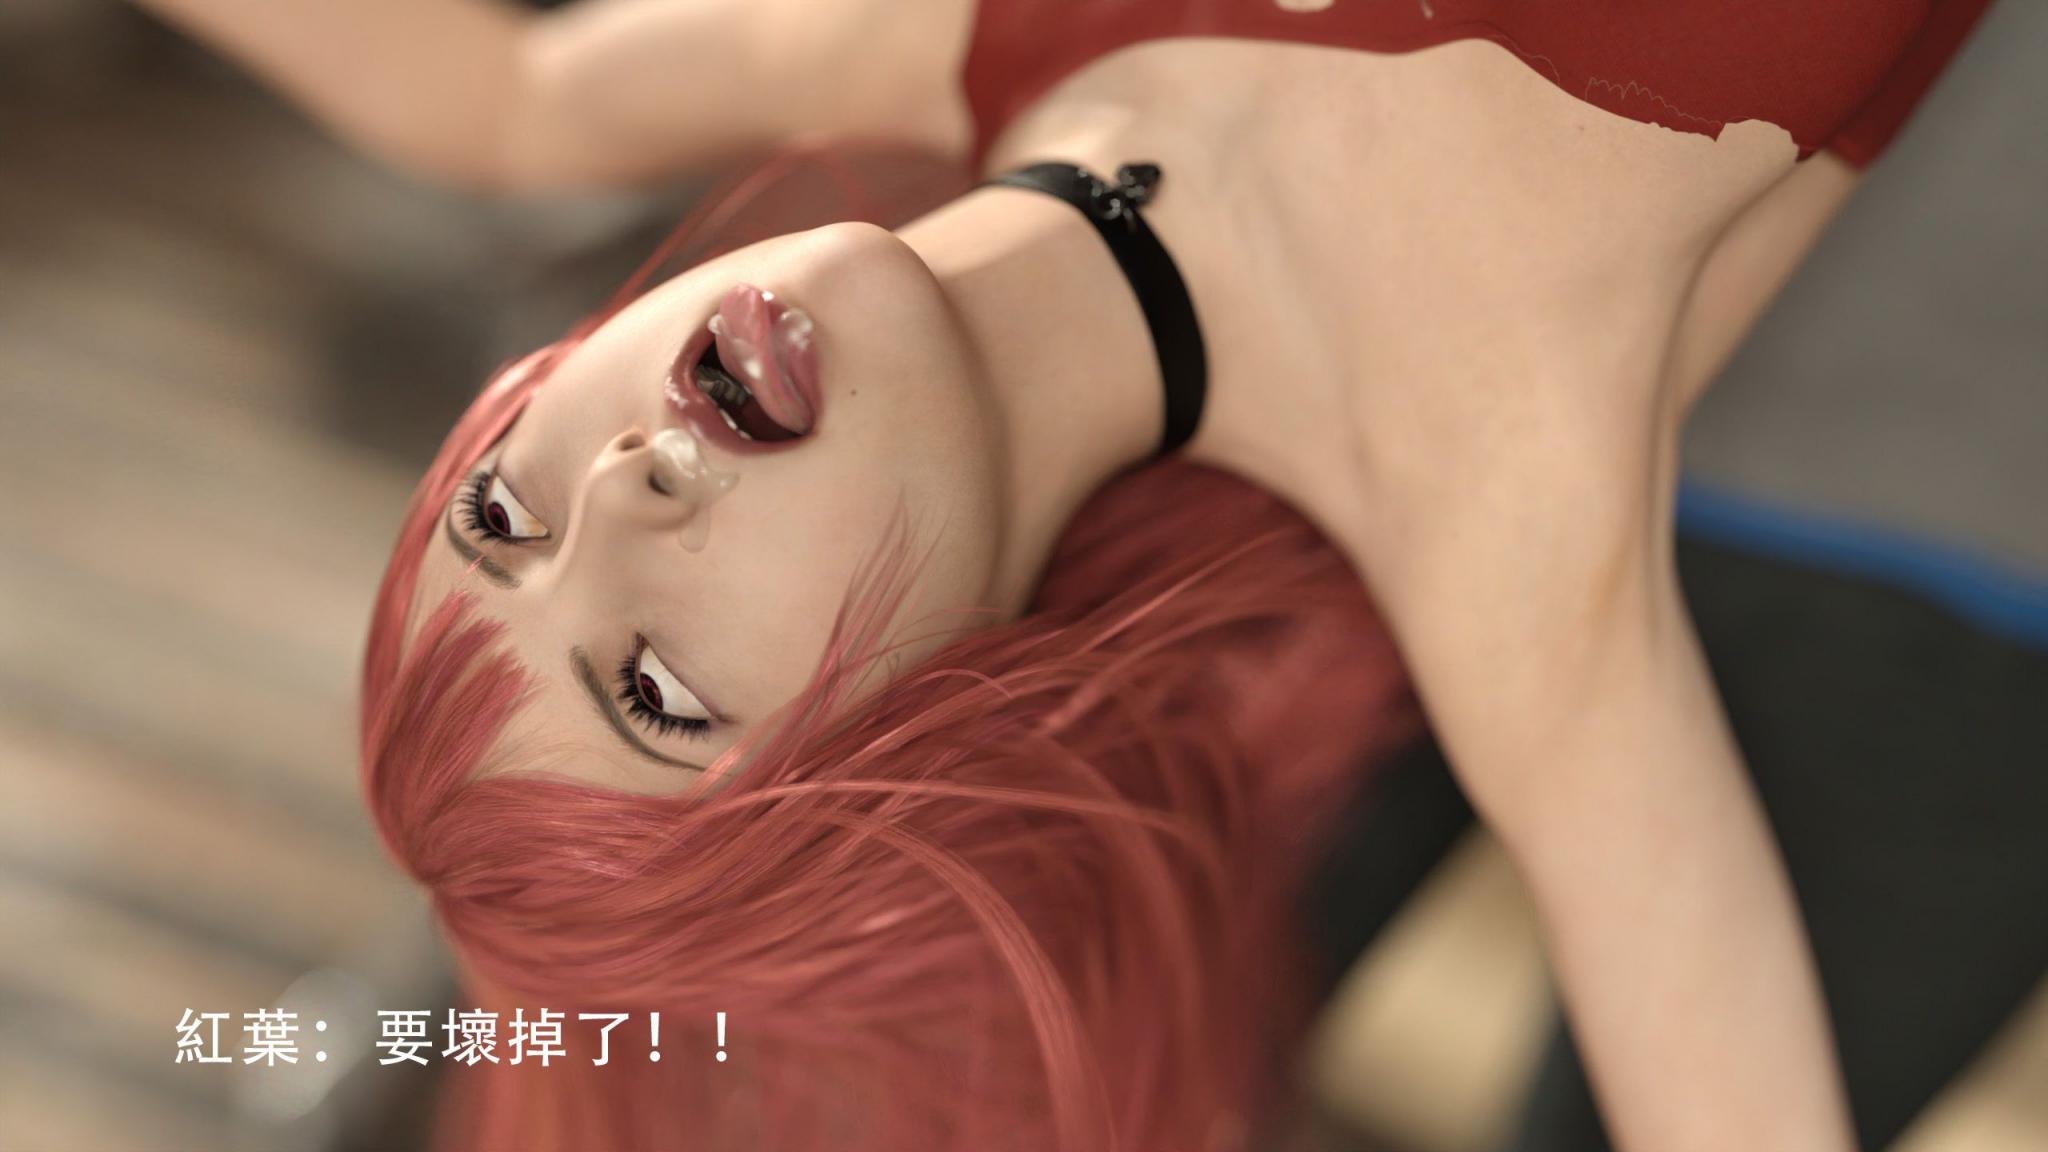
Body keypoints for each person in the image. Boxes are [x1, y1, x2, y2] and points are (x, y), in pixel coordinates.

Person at [134, 1, 1999, 1149]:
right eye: (656, 689)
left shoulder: (968, 38)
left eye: (500, 518)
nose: (622, 495)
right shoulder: (1486, 485)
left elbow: (508, 103)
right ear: (888, 762)